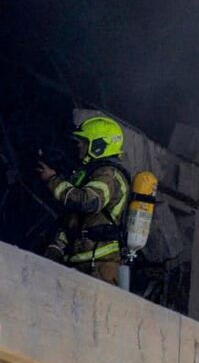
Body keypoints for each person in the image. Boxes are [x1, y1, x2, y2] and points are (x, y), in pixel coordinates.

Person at [35, 116, 131, 284]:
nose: (79, 145)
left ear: (99, 145)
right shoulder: (90, 173)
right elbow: (73, 219)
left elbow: (87, 202)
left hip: (100, 266)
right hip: (81, 263)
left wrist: (52, 180)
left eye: (84, 142)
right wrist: (55, 248)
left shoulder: (108, 174)